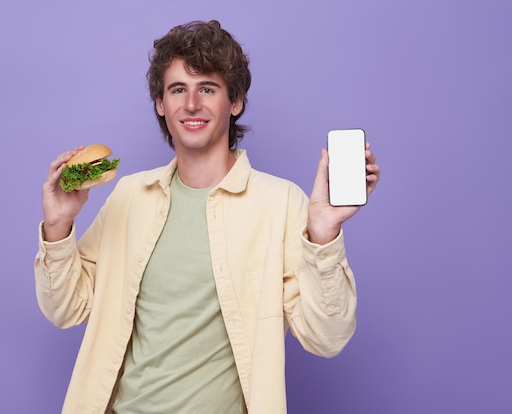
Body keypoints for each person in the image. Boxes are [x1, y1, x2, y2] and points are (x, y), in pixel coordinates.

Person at [35, 20, 380, 414]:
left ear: (234, 102)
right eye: (178, 89)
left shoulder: (280, 203)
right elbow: (66, 309)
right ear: (161, 105)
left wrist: (323, 232)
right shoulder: (130, 195)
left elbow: (327, 338)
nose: (192, 104)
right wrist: (58, 226)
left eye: (208, 89)